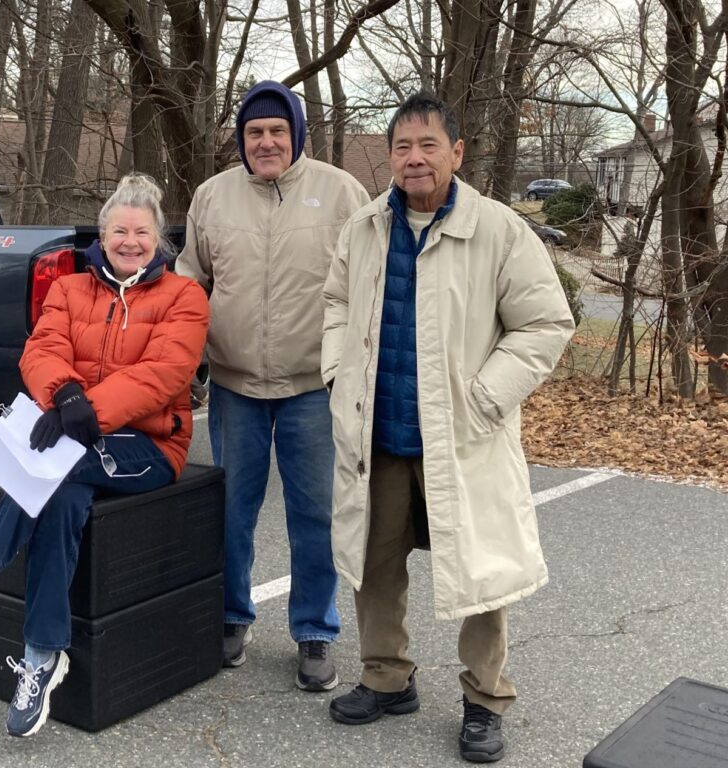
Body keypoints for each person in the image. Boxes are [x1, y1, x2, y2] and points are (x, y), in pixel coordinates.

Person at [0, 174, 209, 738]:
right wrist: (64, 394)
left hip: (149, 445)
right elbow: (43, 348)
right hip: (75, 440)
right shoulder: (70, 288)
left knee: (57, 468)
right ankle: (42, 658)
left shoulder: (183, 297)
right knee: (61, 495)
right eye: (120, 230)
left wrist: (84, 412)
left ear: (157, 237)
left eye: (142, 232)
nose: (130, 241)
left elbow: (166, 372)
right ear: (105, 233)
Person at [321, 92, 575, 763]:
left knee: (483, 574)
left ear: (456, 153)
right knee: (374, 569)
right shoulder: (364, 228)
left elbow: (546, 324)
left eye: (428, 145)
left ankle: (485, 700)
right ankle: (385, 677)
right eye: (402, 146)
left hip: (462, 439)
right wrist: (336, 380)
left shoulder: (498, 230)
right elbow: (335, 307)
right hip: (380, 436)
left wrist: (487, 398)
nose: (414, 159)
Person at [177, 80, 370, 691]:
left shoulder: (342, 194)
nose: (265, 142)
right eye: (254, 132)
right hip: (235, 387)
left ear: (297, 135)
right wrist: (185, 364)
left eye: (276, 131)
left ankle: (315, 631)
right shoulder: (212, 197)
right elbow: (188, 284)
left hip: (313, 384)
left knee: (314, 514)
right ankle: (231, 617)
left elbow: (370, 285)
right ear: (241, 139)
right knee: (231, 511)